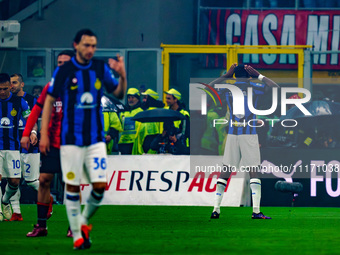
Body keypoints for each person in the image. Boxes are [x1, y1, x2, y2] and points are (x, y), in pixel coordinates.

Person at [39, 29, 126, 250]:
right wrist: (44, 134)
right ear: (76, 45)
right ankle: (77, 235)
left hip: (96, 139)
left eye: (94, 46)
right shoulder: (65, 70)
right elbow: (48, 100)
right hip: (70, 140)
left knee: (99, 186)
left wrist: (123, 75)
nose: (90, 50)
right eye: (86, 45)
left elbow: (118, 94)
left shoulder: (99, 67)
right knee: (73, 186)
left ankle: (83, 222)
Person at [210, 64, 279, 220]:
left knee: (226, 171)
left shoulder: (228, 89)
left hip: (233, 134)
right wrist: (258, 75)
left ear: (234, 76)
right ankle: (256, 211)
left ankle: (216, 209)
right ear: (249, 75)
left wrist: (226, 75)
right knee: (253, 170)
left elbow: (209, 88)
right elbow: (275, 87)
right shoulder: (255, 87)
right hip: (249, 133)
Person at [22, 50, 75, 237]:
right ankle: (41, 226)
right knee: (44, 181)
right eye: (59, 62)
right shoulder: (51, 86)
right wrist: (26, 133)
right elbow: (36, 110)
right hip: (51, 144)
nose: (61, 65)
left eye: (65, 62)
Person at [8, 73, 39, 221]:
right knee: (13, 179)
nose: (11, 86)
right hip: (12, 144)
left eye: (14, 83)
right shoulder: (7, 100)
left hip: (29, 145)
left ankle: (47, 199)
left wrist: (34, 132)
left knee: (31, 181)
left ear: (22, 84)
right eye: (10, 83)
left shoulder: (32, 100)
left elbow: (35, 120)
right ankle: (16, 212)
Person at [0, 73, 31, 221]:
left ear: (10, 86)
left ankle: (4, 201)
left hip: (13, 147)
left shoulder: (20, 102)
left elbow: (30, 119)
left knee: (14, 181)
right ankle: (0, 211)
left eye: (5, 88)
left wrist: (33, 132)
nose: (2, 92)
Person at [132, 89, 165, 154]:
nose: (143, 100)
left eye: (145, 98)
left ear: (150, 99)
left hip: (148, 151)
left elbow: (148, 135)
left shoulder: (150, 113)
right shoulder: (154, 112)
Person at [118, 88, 143, 154]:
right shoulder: (123, 112)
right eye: (129, 98)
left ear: (137, 99)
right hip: (123, 143)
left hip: (135, 143)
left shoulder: (141, 112)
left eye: (133, 97)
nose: (130, 100)